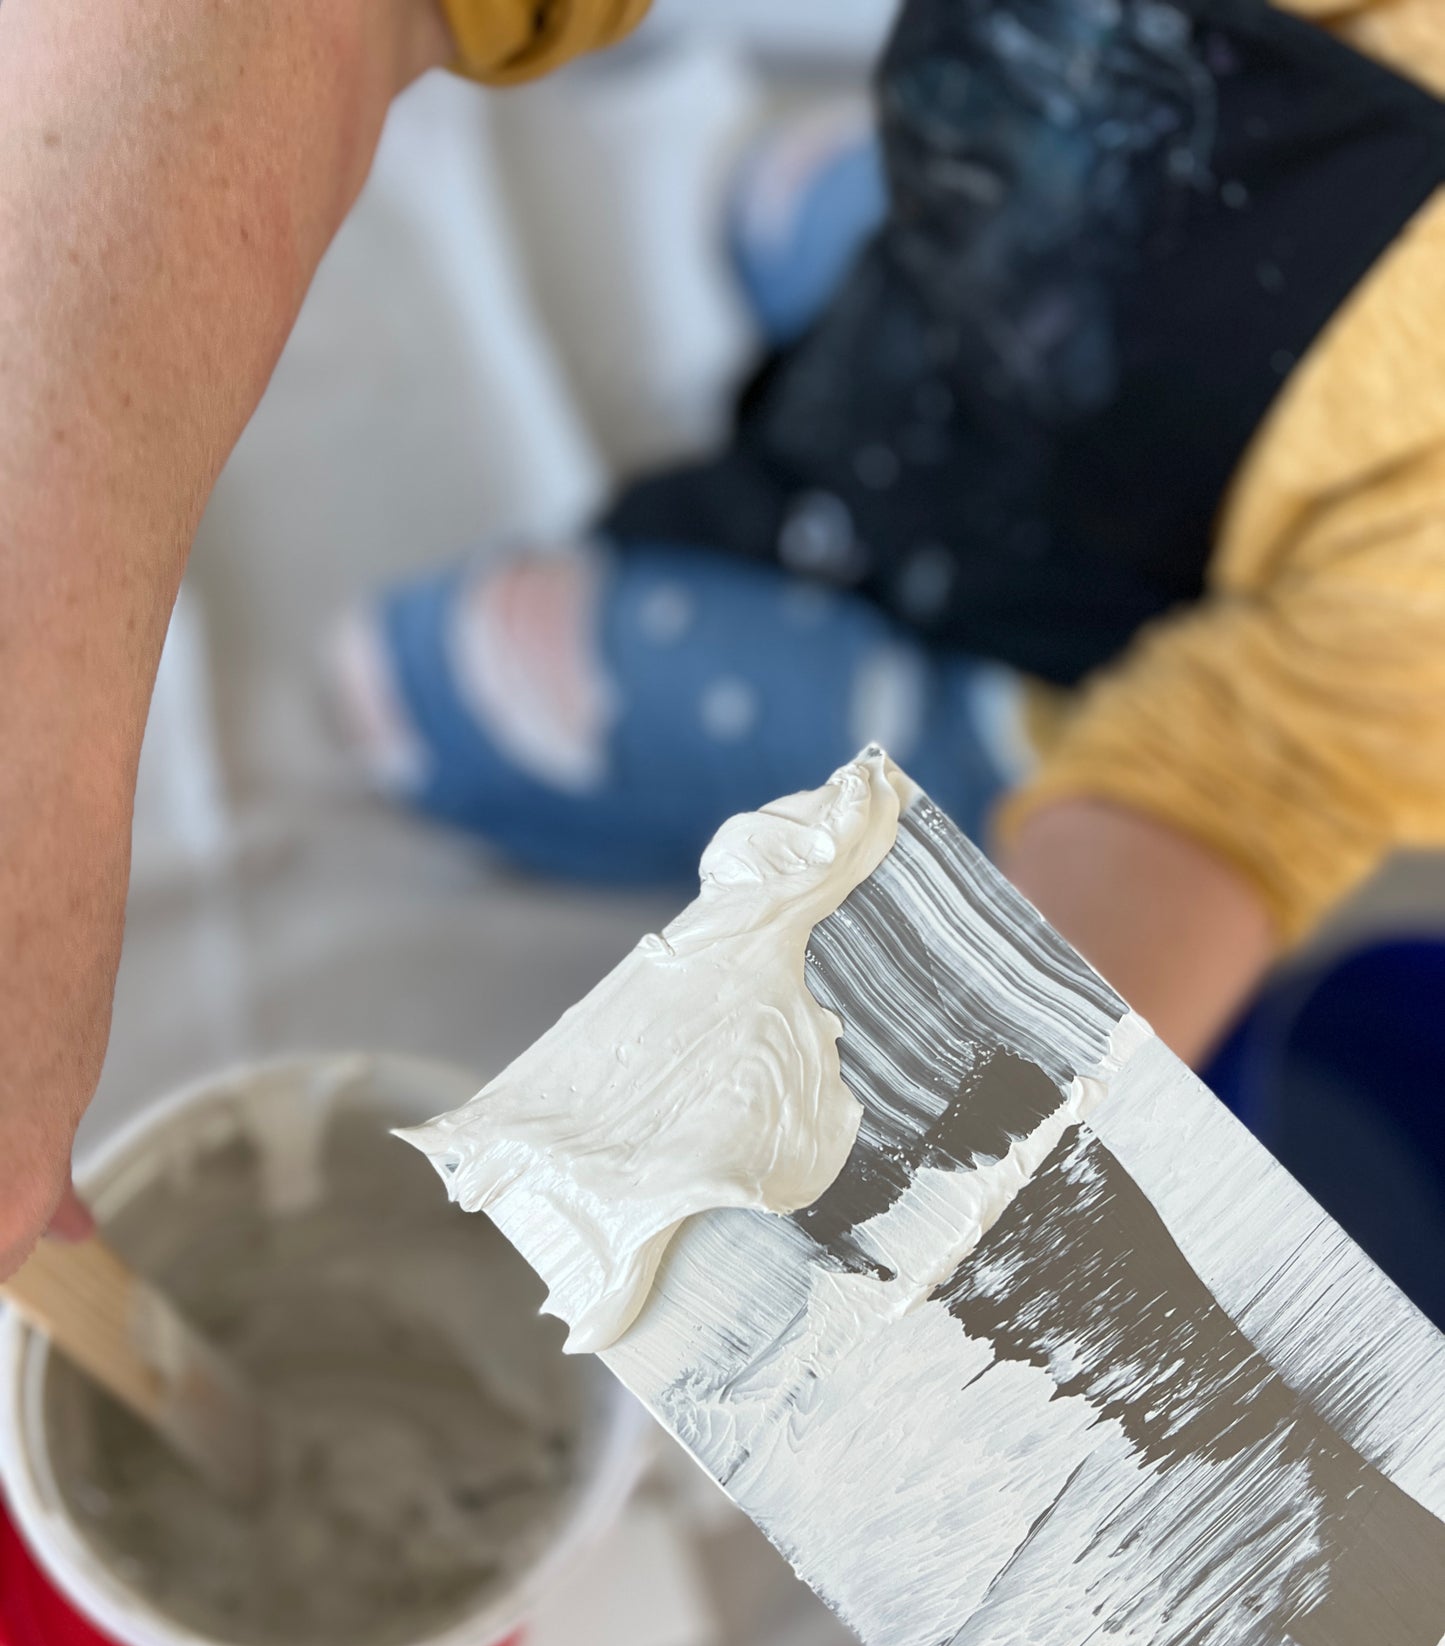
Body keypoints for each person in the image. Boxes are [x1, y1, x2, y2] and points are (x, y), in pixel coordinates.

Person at [3, 0, 1443, 1288]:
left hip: (1086, 613)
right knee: (863, 208)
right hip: (1010, 248)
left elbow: (1255, 773)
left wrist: (972, 1123)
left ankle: (960, 719)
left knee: (442, 685)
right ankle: (902, 258)